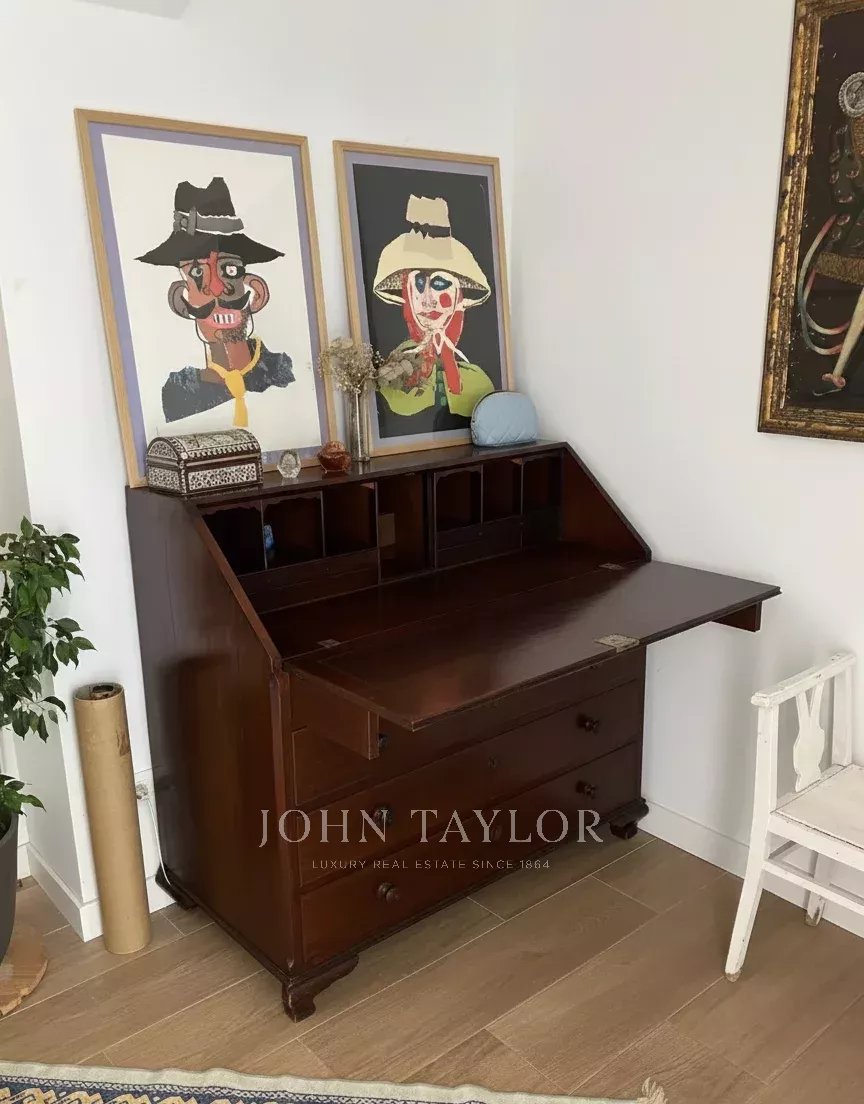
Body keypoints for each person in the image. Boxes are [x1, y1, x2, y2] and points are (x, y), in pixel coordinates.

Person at [137, 176, 294, 425]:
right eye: (197, 272)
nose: (217, 289)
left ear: (257, 291)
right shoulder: (179, 392)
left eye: (229, 270)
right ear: (179, 299)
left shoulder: (281, 372)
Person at [372, 195, 495, 419]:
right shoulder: (394, 375)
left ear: (458, 294)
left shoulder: (477, 379)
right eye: (418, 285)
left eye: (439, 284)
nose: (427, 300)